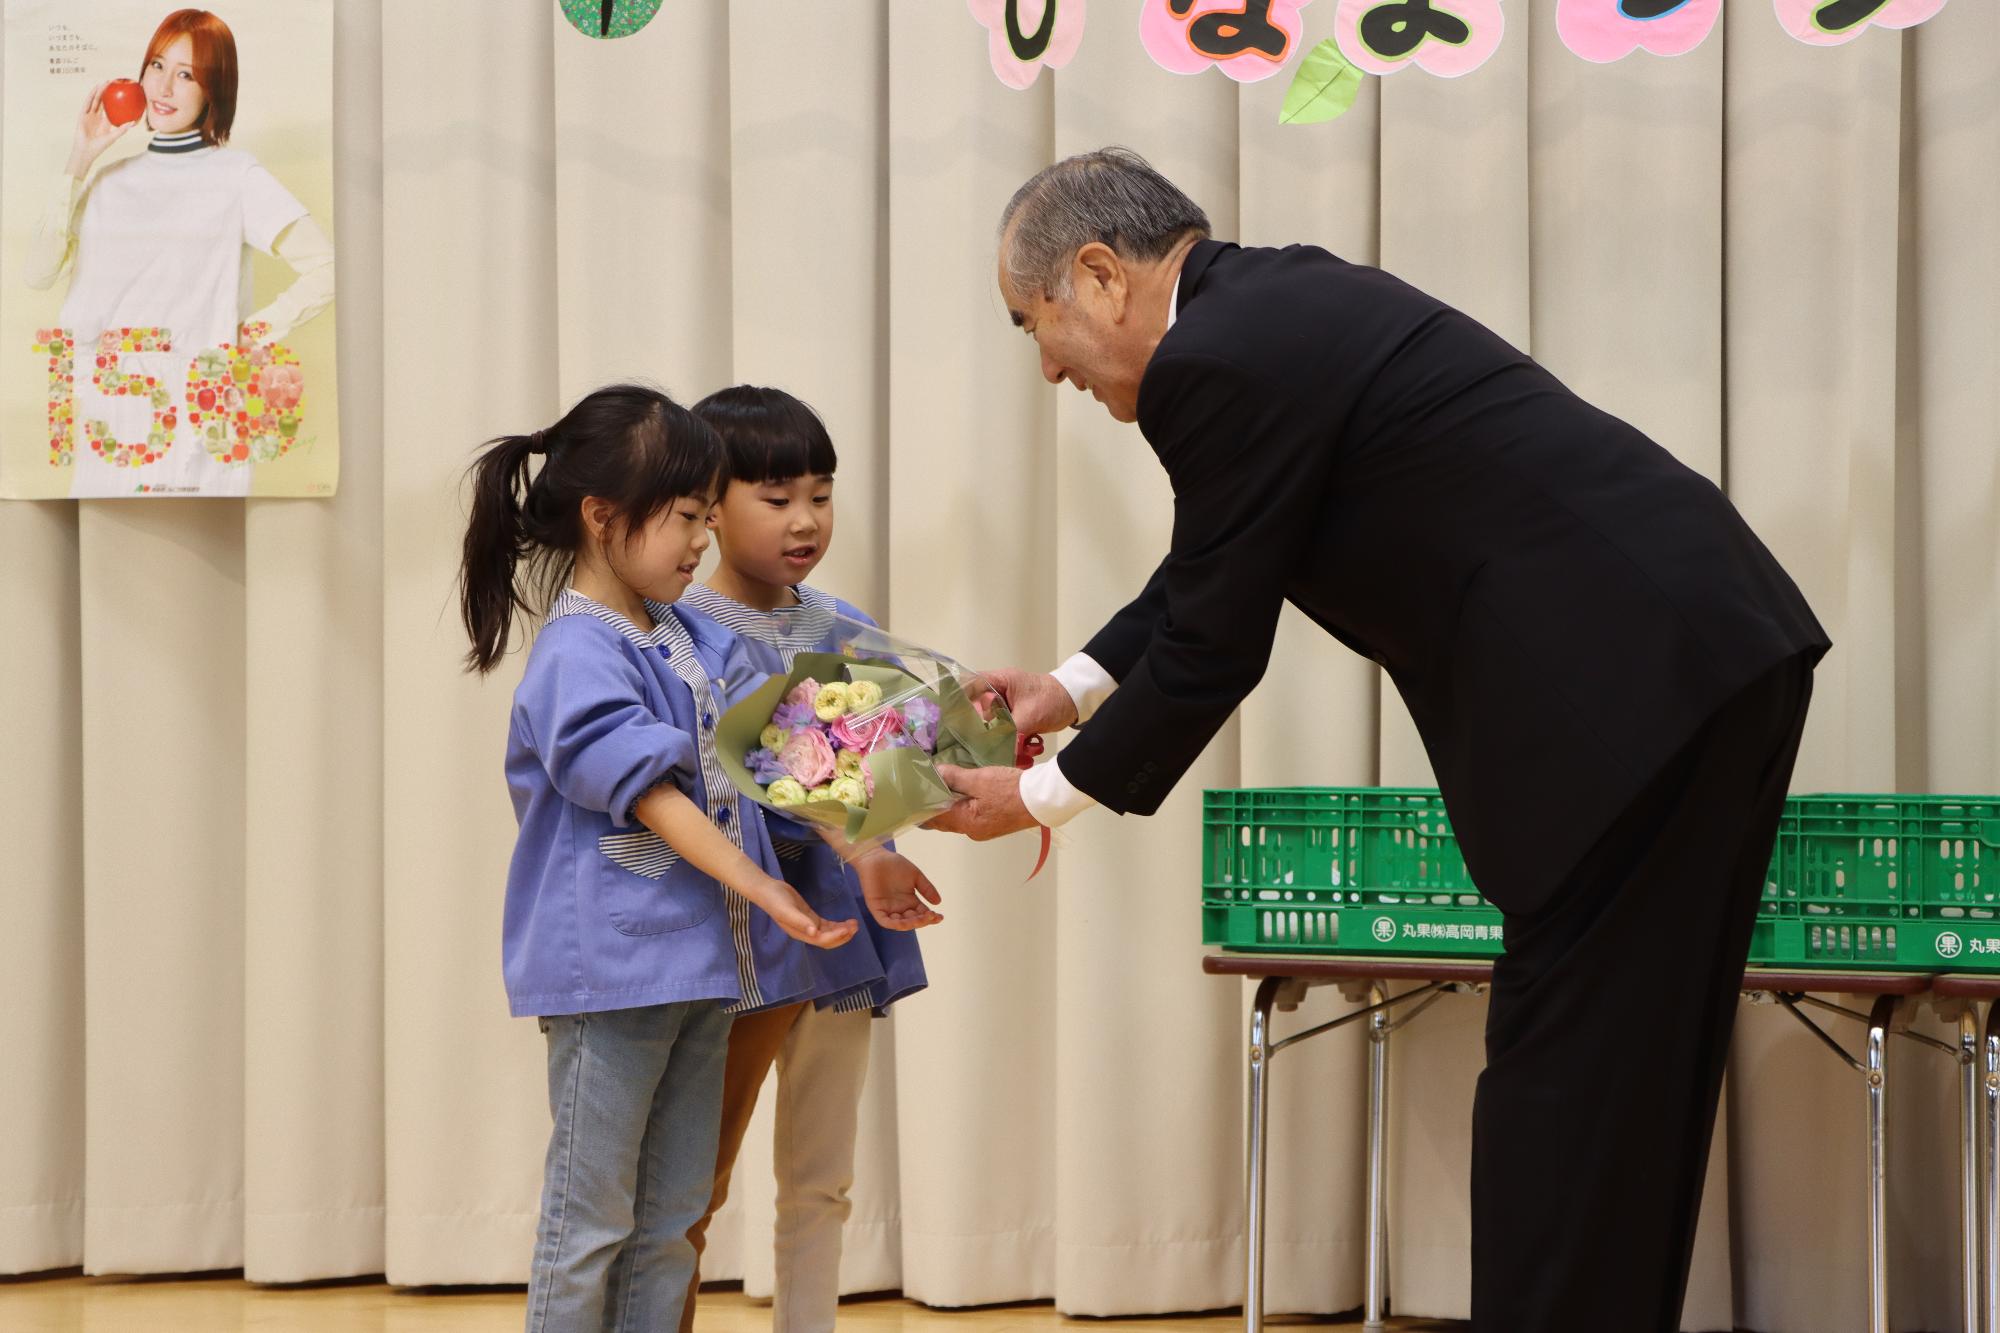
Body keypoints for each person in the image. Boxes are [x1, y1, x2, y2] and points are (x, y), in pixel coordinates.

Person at [933, 148, 1829, 1331]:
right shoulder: (1266, 305)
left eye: (1031, 321)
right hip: (1697, 658)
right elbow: (1213, 563)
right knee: (1626, 1081)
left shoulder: (1211, 358)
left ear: (1096, 274)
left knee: (1565, 1092)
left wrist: (1039, 798)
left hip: (1632, 691)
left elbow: (1213, 642)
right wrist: (1067, 686)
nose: (1046, 365)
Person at [457, 383, 859, 1333]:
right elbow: (651, 793)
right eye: (685, 517)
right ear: (603, 517)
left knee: (671, 1219)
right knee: (592, 1216)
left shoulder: (680, 632)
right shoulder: (577, 651)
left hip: (699, 967)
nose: (699, 540)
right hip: (613, 975)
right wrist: (763, 885)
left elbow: (768, 757)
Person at [676, 384, 937, 1333]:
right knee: (691, 1179)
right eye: (777, 496)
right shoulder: (680, 632)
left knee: (821, 1175)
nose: (806, 520)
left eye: (821, 495)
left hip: (844, 932)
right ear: (708, 503)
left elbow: (886, 768)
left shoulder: (842, 623)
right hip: (727, 938)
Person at [23, 8, 334, 497]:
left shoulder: (236, 177)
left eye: (186, 74)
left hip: (197, 414)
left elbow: (327, 268)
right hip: (108, 415)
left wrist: (246, 337)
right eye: (157, 66)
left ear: (214, 89)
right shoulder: (106, 181)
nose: (164, 88)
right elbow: (38, 273)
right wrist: (81, 155)